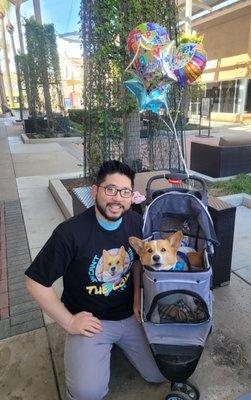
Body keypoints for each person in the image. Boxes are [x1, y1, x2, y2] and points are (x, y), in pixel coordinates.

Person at [25, 160, 164, 400]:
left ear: (132, 196)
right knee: (87, 394)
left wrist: (138, 297)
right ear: (95, 191)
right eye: (110, 189)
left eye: (125, 192)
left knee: (161, 373)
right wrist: (69, 322)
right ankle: (92, 350)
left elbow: (138, 262)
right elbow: (35, 282)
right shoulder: (69, 233)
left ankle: (113, 349)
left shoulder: (133, 221)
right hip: (91, 322)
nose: (117, 199)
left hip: (130, 315)